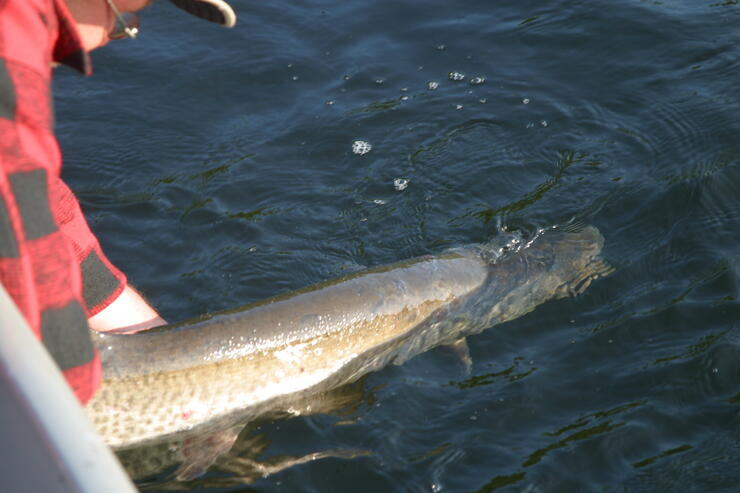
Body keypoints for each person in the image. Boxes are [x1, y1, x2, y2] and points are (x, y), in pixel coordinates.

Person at [0, 0, 235, 404]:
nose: (113, 39)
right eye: (124, 24)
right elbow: (14, 214)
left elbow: (42, 215)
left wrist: (158, 346)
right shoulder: (11, 59)